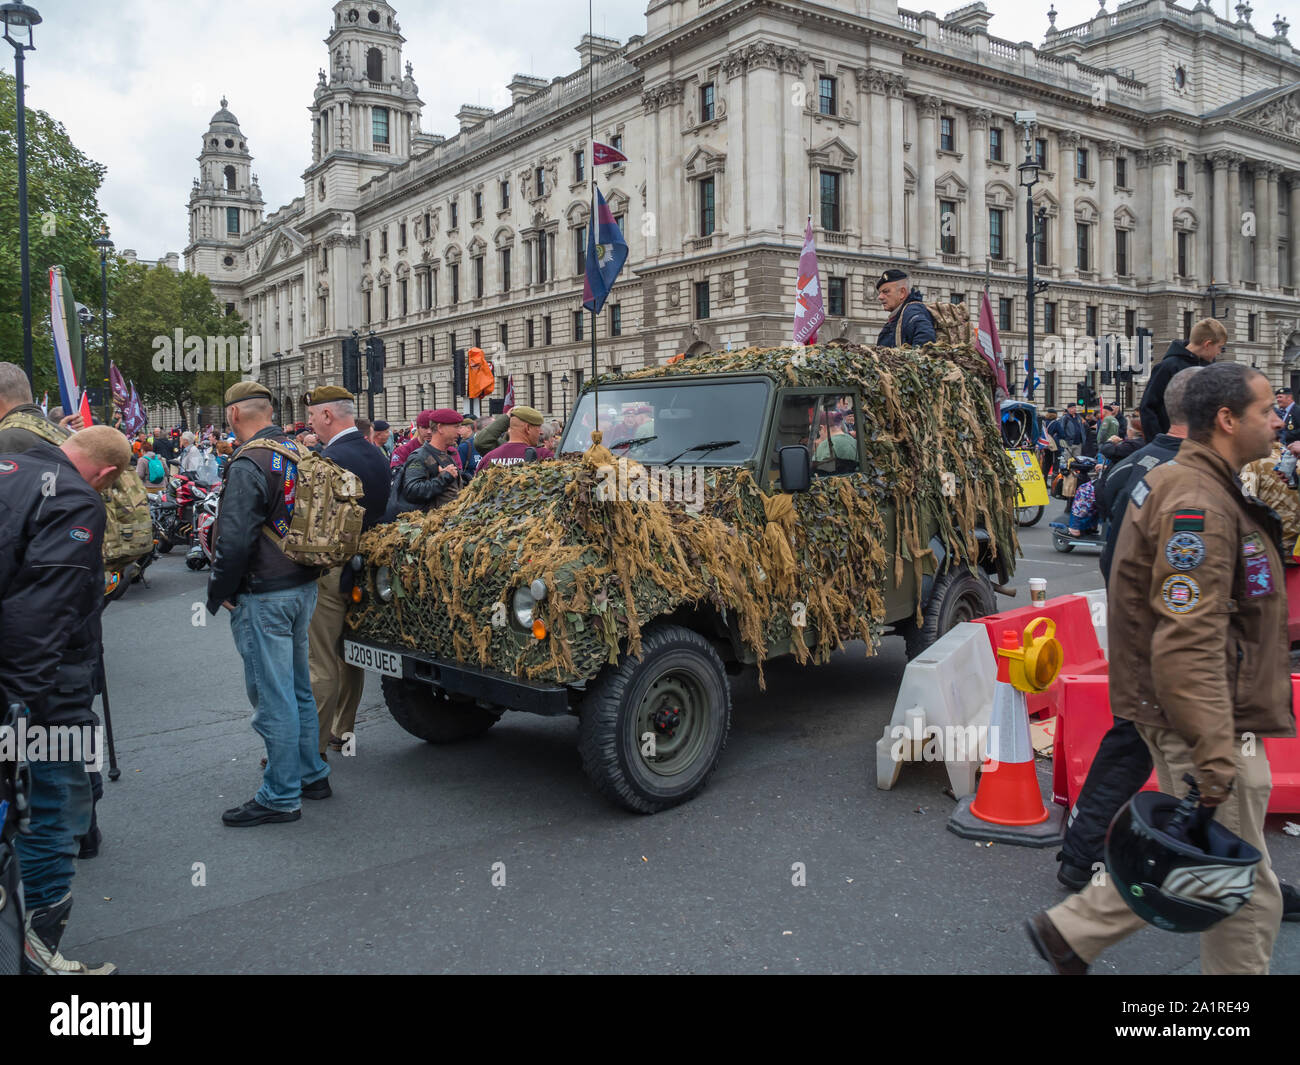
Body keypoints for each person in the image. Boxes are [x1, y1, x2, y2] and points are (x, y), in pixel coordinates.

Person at [1028, 361, 1294, 974]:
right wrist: (1215, 748)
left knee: (1215, 858)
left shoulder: (1200, 484)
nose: (1279, 420)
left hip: (1196, 711)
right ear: (1227, 420)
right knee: (1246, 889)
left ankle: (1075, 930)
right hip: (1201, 715)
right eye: (1266, 410)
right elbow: (1187, 637)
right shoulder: (1196, 500)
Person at [0, 425, 131, 975]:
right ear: (105, 474)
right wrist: (16, 704)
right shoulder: (76, 498)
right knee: (57, 809)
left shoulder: (12, 470)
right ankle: (39, 949)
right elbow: (44, 611)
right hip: (48, 688)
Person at [205, 382, 328, 827]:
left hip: (265, 591)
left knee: (271, 695)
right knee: (297, 686)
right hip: (302, 584)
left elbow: (234, 537)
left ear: (235, 415)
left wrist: (221, 592)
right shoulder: (296, 450)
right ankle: (312, 774)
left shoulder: (249, 461)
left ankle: (280, 795)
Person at [304, 387, 392, 759]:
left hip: (331, 568)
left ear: (327, 416)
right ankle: (343, 728)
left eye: (312, 416)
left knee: (320, 660)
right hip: (366, 564)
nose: (309, 423)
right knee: (350, 654)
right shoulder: (376, 453)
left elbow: (313, 521)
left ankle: (314, 744)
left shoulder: (329, 459)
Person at [1138, 317, 1225, 441]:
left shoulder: (1211, 369)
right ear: (1207, 344)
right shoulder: (1167, 367)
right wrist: (1158, 442)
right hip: (1173, 443)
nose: (1219, 352)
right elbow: (1148, 407)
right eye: (1219, 347)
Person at [389, 408, 463, 516]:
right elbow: (412, 490)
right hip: (430, 524)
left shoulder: (448, 455)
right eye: (456, 427)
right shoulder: (419, 457)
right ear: (440, 428)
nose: (459, 432)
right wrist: (444, 478)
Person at [475, 407, 552, 472]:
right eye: (538, 427)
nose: (541, 432)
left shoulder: (488, 458)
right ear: (527, 428)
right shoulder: (544, 456)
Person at [874, 268, 937, 347]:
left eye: (886, 291)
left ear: (902, 293)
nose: (880, 297)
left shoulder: (912, 312)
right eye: (880, 293)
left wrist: (911, 358)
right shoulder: (900, 315)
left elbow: (926, 339)